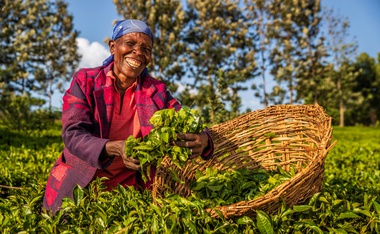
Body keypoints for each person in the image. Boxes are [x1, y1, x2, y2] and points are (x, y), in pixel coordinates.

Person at [43, 19, 214, 214]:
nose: (138, 52)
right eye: (130, 44)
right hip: (80, 186)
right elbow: (73, 133)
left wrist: (204, 139)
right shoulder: (86, 81)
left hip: (130, 194)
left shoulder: (156, 90)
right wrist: (114, 147)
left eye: (146, 49)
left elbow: (186, 122)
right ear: (113, 47)